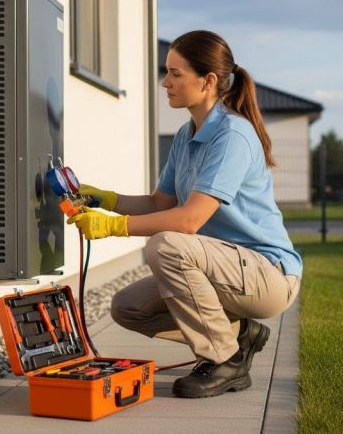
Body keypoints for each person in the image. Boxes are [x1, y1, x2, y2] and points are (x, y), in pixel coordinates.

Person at [68, 30, 302, 399]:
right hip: (224, 268)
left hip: (266, 274)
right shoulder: (186, 134)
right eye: (167, 72)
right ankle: (239, 335)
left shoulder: (232, 137)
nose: (166, 82)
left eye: (175, 74)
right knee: (128, 308)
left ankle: (224, 361)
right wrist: (106, 200)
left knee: (166, 246)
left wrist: (114, 228)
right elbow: (162, 203)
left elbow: (188, 220)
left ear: (208, 81)